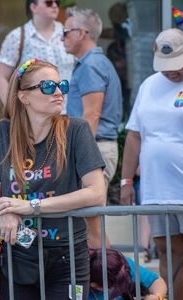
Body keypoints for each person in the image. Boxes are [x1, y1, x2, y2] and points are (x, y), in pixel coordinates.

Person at [0, 58, 105, 299]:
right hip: (19, 250)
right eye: (47, 87)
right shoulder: (2, 133)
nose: (58, 92)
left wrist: (30, 206)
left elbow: (96, 193)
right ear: (24, 96)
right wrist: (2, 208)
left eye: (61, 85)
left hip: (67, 254)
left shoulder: (76, 130)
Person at [121, 28, 183, 300]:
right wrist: (125, 181)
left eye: (176, 66)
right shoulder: (149, 85)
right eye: (164, 66)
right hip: (157, 187)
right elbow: (135, 135)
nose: (170, 72)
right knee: (169, 253)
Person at [62, 8, 123, 248]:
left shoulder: (91, 65)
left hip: (94, 149)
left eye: (66, 31)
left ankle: (113, 282)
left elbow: (92, 115)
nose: (63, 37)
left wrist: (74, 154)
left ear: (83, 33)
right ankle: (109, 281)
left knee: (92, 229)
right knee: (90, 227)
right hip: (96, 148)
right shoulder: (92, 63)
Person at [0, 0, 75, 106]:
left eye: (57, 2)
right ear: (33, 7)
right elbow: (0, 77)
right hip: (34, 116)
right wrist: (13, 109)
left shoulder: (69, 34)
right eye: (49, 2)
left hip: (69, 113)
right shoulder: (17, 37)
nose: (55, 5)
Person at [89, 248, 167, 300]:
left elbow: (157, 281)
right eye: (113, 285)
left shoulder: (122, 265)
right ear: (93, 284)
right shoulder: (80, 282)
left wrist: (157, 296)